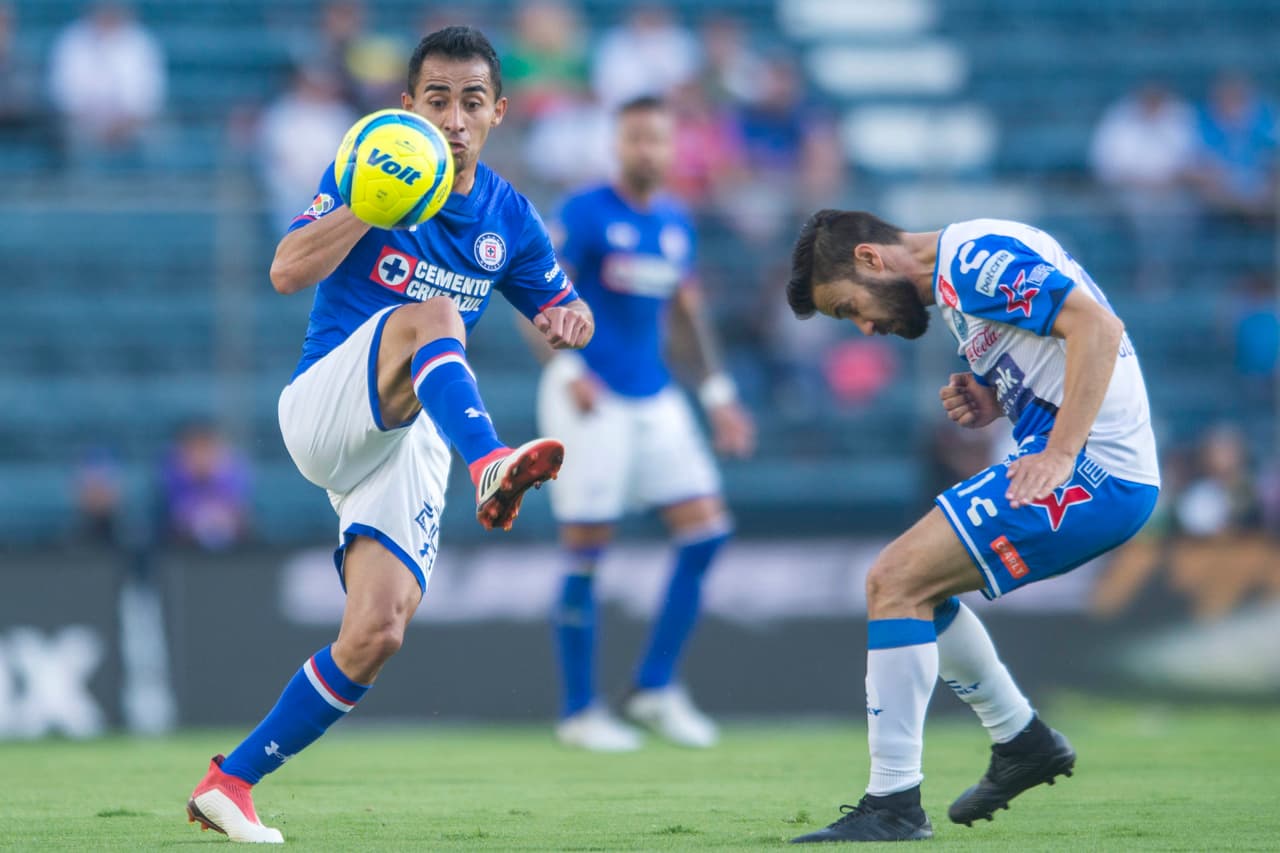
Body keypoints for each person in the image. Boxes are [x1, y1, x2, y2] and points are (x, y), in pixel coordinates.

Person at [185, 27, 594, 843]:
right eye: (436, 99)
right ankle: (491, 464)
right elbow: (285, 270)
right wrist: (364, 208)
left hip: (407, 437)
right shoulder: (369, 165)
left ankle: (229, 780)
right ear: (407, 104)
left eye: (471, 101)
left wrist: (569, 316)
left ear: (499, 113)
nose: (453, 118)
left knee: (378, 630)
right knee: (436, 315)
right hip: (327, 403)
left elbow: (560, 306)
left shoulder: (510, 216)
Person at [783, 211, 1160, 842]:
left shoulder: (973, 261)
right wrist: (993, 396)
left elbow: (1097, 326)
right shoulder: (964, 283)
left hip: (1094, 471)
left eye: (850, 308)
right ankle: (1022, 741)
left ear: (872, 259)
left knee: (893, 580)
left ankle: (895, 804)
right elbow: (1056, 342)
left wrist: (1062, 452)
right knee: (912, 589)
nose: (866, 327)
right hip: (1092, 467)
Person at [531, 96, 755, 751]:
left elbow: (685, 314)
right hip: (589, 393)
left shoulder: (675, 220)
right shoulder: (583, 211)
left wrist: (717, 393)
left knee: (707, 532)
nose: (648, 151)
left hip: (654, 395)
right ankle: (579, 710)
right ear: (617, 144)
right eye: (636, 139)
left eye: (658, 139)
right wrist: (570, 371)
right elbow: (535, 295)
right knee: (587, 548)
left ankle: (654, 685)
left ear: (672, 146)